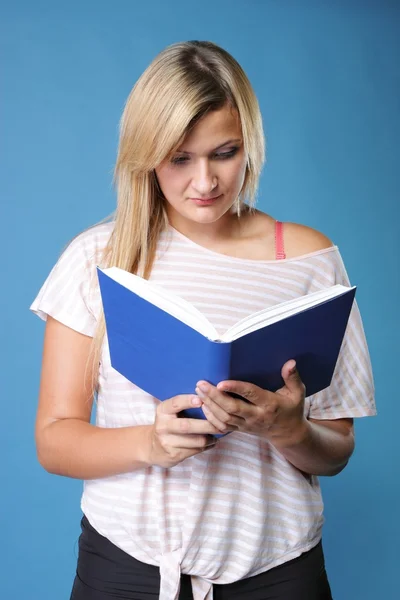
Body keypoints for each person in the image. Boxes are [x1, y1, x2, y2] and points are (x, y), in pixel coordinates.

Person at [30, 41, 375, 600]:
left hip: (277, 569)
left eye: (225, 152)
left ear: (250, 145)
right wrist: (151, 442)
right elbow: (54, 439)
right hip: (125, 566)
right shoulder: (99, 257)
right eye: (180, 158)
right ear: (147, 155)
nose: (206, 182)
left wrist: (288, 430)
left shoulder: (312, 260)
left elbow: (338, 445)